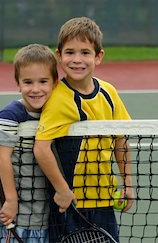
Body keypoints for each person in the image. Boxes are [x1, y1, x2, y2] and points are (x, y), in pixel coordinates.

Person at [33, 17, 134, 242]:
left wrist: (127, 183)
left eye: (85, 53)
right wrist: (62, 190)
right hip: (70, 204)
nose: (77, 60)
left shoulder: (109, 92)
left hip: (104, 200)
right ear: (59, 56)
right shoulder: (58, 99)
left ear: (98, 57)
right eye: (70, 53)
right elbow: (41, 148)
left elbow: (120, 140)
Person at [0, 44, 58, 243]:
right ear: (18, 84)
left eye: (43, 81)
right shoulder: (10, 115)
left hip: (45, 216)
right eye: (28, 82)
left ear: (55, 82)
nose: (35, 89)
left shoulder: (55, 114)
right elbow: (2, 159)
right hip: (15, 216)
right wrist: (11, 201)